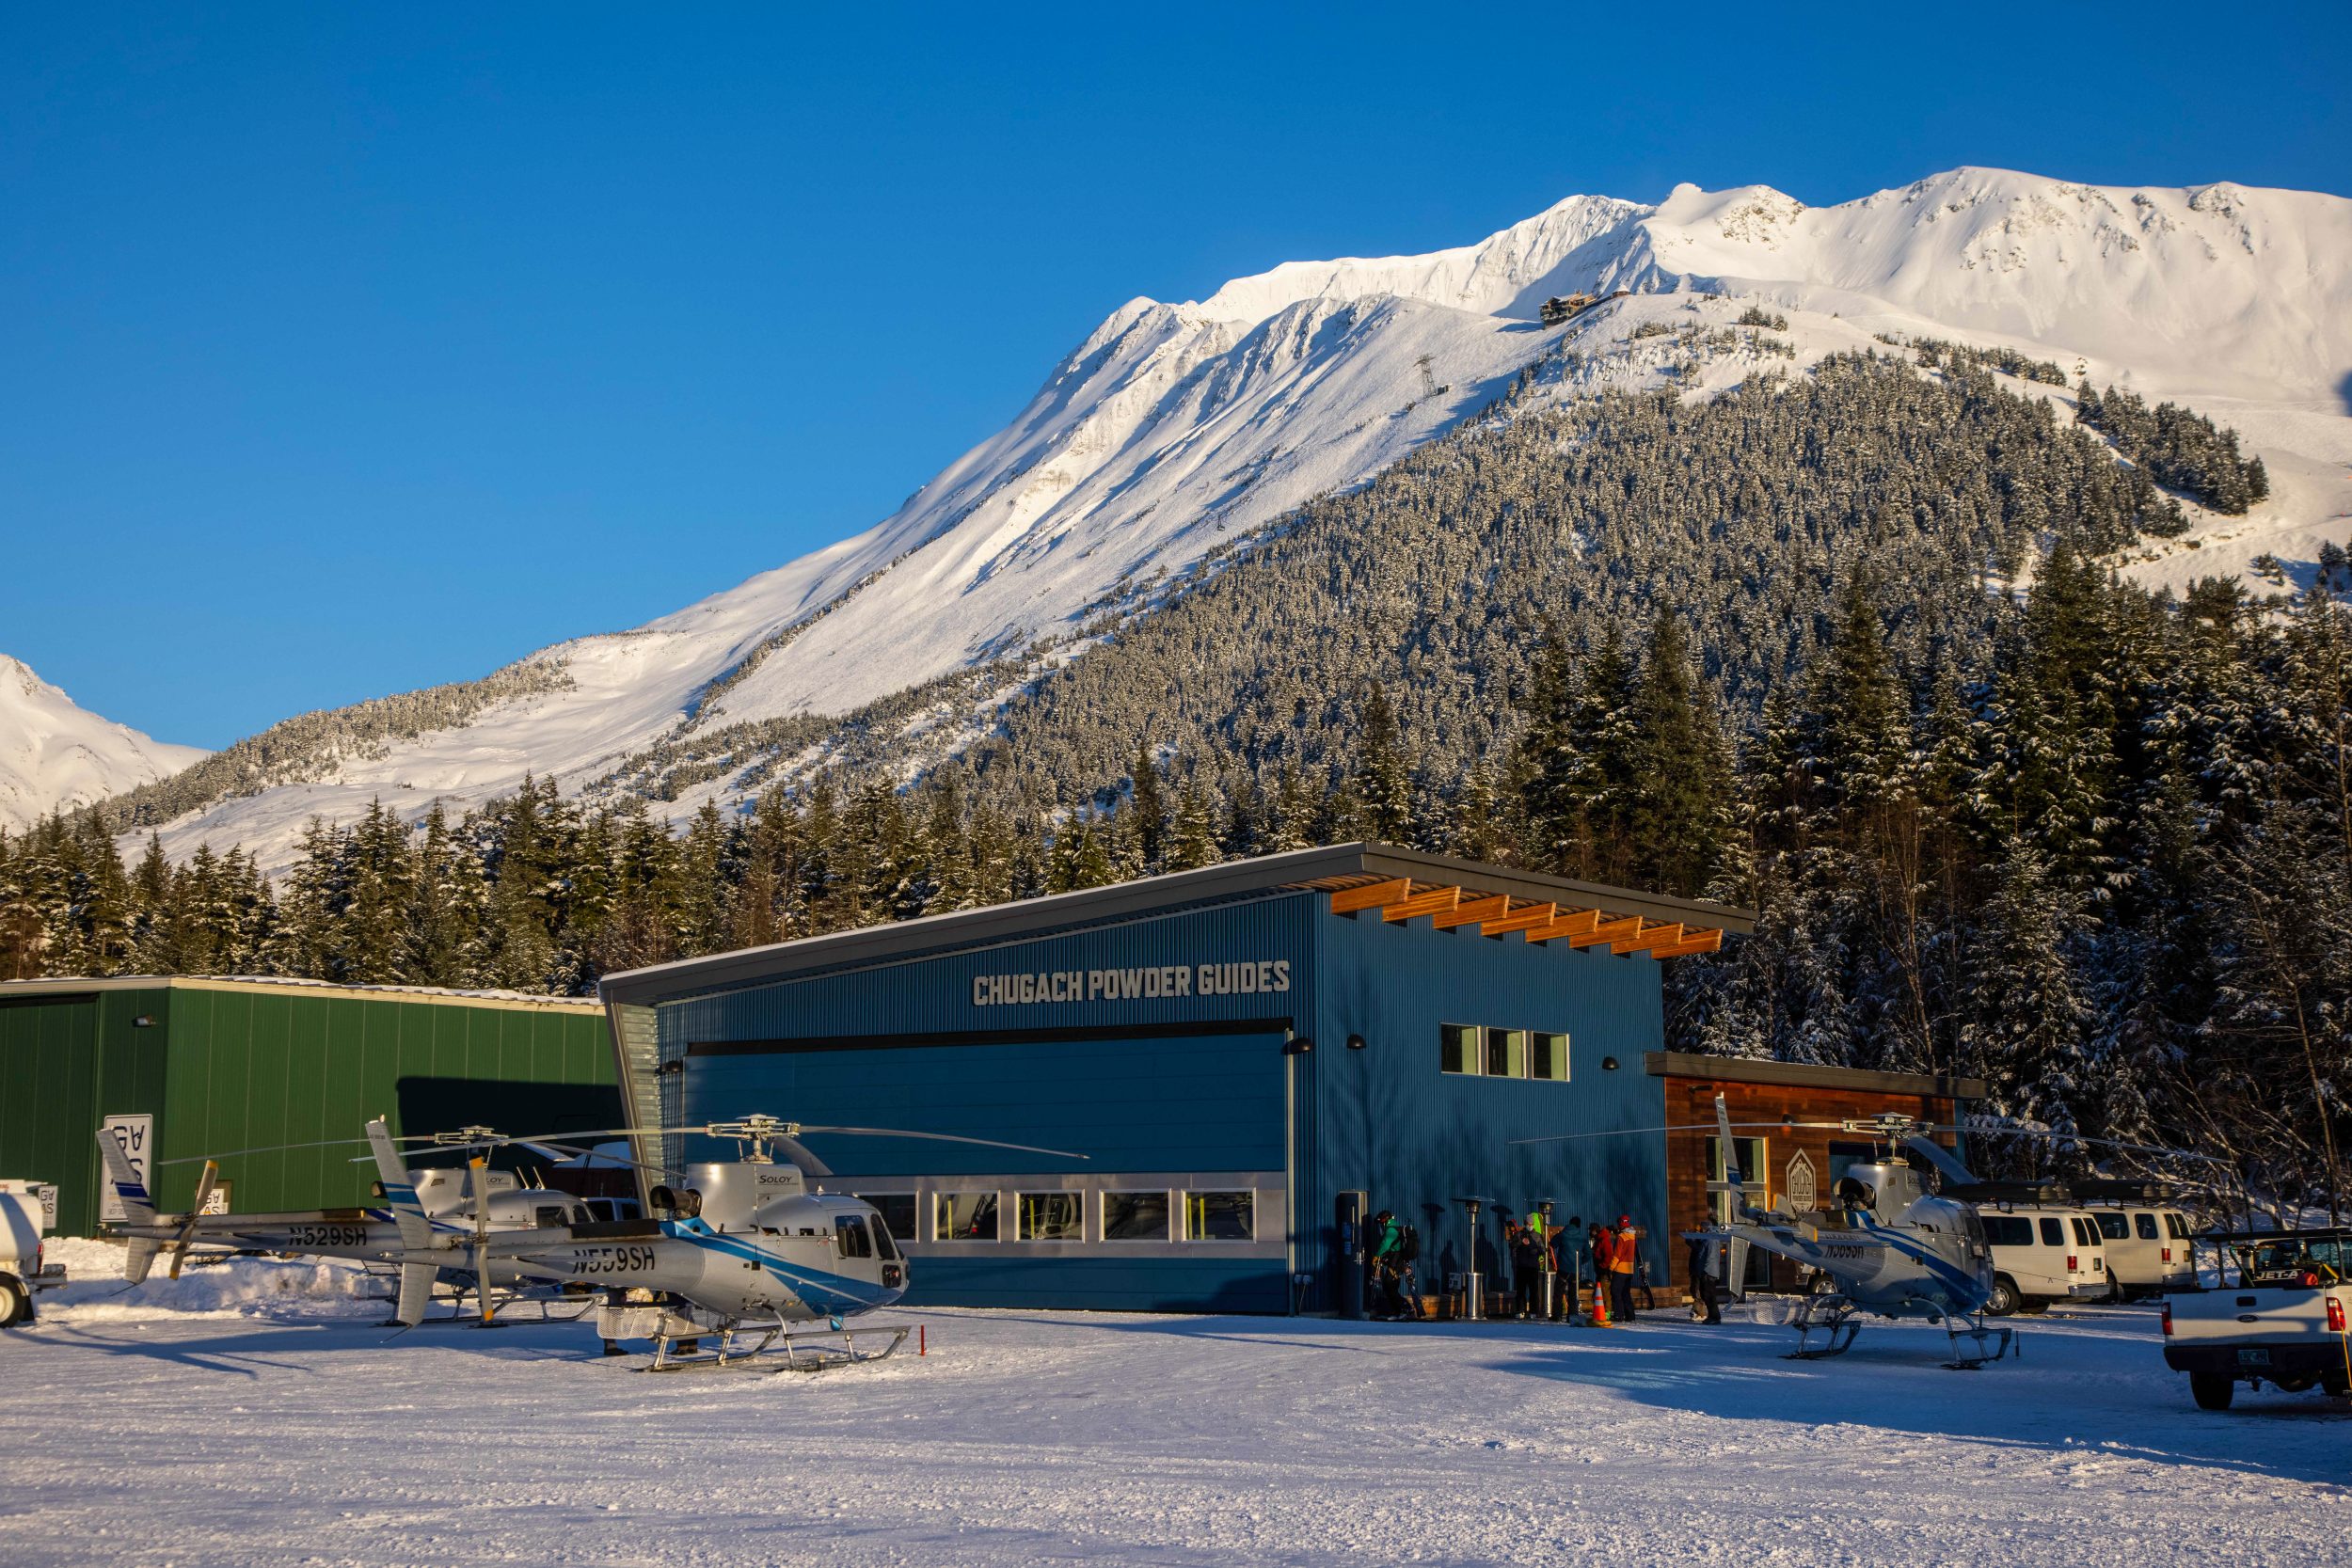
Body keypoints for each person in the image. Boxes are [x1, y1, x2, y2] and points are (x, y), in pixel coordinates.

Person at [1369, 1210, 1404, 1319]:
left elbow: (1385, 1245)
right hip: (1394, 1260)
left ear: (1385, 1220)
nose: (1381, 1225)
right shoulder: (1393, 1226)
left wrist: (1377, 1256)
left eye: (1381, 1222)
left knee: (1389, 1285)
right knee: (1389, 1286)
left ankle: (1404, 1309)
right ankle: (1396, 1312)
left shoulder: (1391, 1230)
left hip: (1396, 1261)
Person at [1686, 1234, 1723, 1324]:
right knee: (1705, 1295)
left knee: (1709, 1295)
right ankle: (1712, 1316)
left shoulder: (1711, 1240)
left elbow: (1710, 1257)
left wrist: (1705, 1271)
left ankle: (1715, 1317)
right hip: (1704, 1272)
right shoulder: (1705, 1241)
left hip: (1708, 1273)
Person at [1612, 1214, 1639, 1324]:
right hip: (1630, 1269)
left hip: (1620, 1269)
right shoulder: (1633, 1236)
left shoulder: (1621, 1237)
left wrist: (1611, 1267)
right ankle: (1630, 1315)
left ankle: (1619, 1315)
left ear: (1620, 1223)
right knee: (1626, 1293)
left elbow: (1617, 1254)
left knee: (1615, 1292)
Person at [1586, 1222, 1614, 1326]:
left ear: (1594, 1230)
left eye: (1590, 1230)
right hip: (1599, 1271)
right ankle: (1599, 1312)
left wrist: (1603, 1266)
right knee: (1598, 1293)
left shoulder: (1604, 1240)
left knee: (1605, 1292)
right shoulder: (1598, 1240)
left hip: (1604, 1271)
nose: (1589, 1232)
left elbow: (1609, 1256)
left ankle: (1606, 1314)